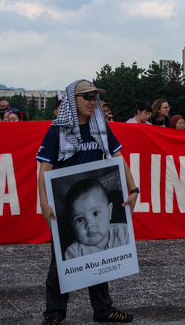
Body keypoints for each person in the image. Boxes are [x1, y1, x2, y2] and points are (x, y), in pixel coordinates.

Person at [36, 80, 138, 324]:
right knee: (60, 261)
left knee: (99, 259)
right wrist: (43, 201)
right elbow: (44, 167)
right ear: (73, 100)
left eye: (95, 97)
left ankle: (103, 309)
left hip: (92, 202)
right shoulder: (57, 131)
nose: (93, 101)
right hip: (69, 208)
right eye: (87, 97)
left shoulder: (100, 126)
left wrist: (134, 188)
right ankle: (54, 314)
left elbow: (117, 157)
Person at [63, 179, 131, 259]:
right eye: (80, 219)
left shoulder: (125, 233)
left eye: (95, 213)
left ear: (109, 211)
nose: (89, 224)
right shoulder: (74, 252)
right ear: (72, 225)